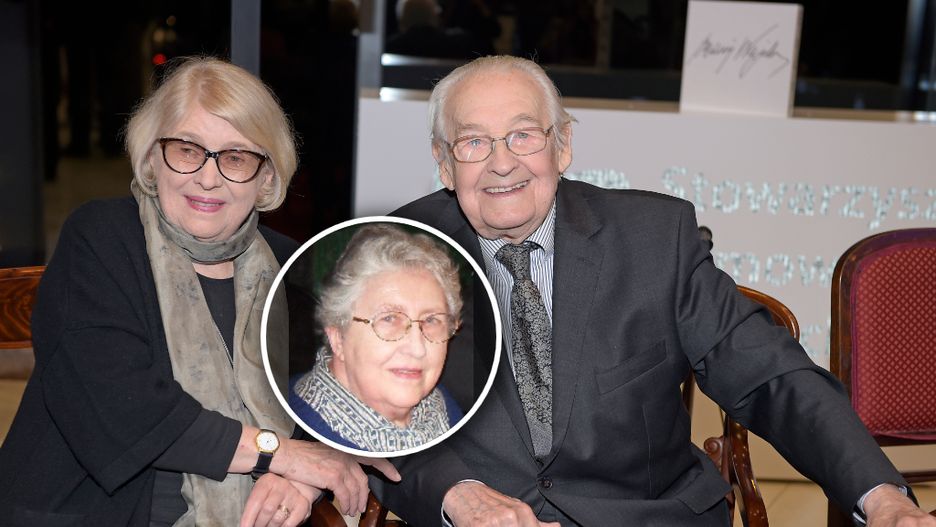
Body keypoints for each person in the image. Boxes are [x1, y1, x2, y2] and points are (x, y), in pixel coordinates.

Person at [377, 55, 936, 526]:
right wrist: (457, 495)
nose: (502, 164)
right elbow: (364, 414)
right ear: (443, 163)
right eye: (473, 142)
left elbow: (773, 379)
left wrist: (881, 497)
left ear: (562, 144)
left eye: (523, 136)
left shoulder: (655, 240)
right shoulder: (392, 253)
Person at [0, 57, 399, 527]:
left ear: (266, 177)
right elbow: (123, 407)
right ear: (152, 157)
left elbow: (342, 403)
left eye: (236, 158)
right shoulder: (101, 238)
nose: (208, 178)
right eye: (188, 150)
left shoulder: (292, 268)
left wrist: (300, 480)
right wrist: (279, 454)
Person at [289, 223, 464, 452]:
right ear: (338, 338)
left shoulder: (444, 408)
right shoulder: (294, 434)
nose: (417, 348)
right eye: (389, 318)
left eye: (431, 320)